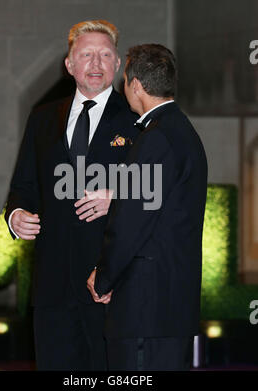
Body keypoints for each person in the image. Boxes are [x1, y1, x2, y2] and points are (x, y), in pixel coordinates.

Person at [5, 20, 139, 370]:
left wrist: (119, 195)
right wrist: (15, 216)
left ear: (118, 64)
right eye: (87, 55)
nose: (96, 64)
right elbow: (23, 186)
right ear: (69, 64)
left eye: (105, 55)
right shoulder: (42, 118)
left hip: (109, 285)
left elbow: (160, 189)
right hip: (51, 288)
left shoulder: (137, 120)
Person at [87, 44, 208, 371]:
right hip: (167, 308)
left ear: (136, 85)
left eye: (125, 79)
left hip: (145, 311)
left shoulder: (157, 138)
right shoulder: (181, 131)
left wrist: (104, 279)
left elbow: (131, 221)